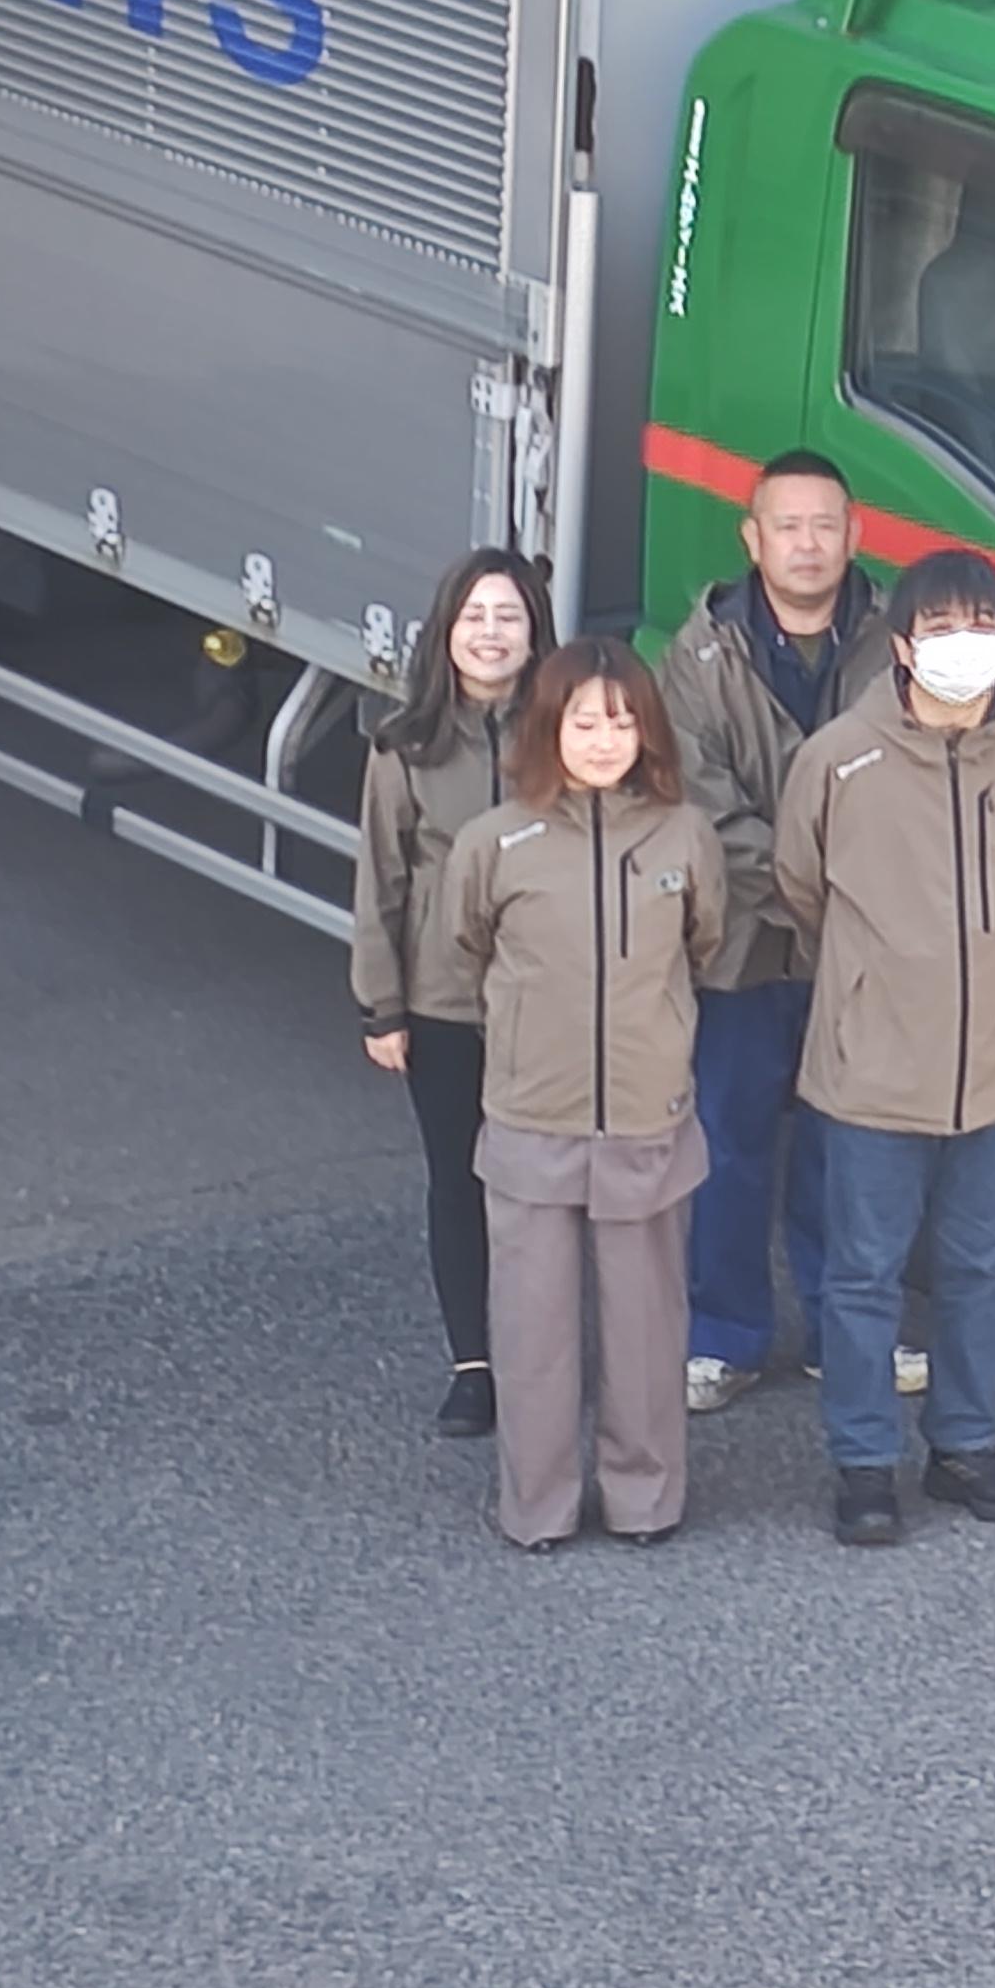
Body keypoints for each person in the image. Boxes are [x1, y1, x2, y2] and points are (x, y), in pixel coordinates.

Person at [777, 549, 995, 1547]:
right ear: (903, 646)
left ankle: (965, 1445)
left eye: (984, 626)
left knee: (980, 1268)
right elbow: (801, 887)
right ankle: (864, 1465)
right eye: (943, 629)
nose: (967, 647)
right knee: (863, 1276)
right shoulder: (839, 759)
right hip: (873, 1064)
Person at [446, 642, 726, 1549]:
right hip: (533, 1114)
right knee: (533, 1331)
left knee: (646, 1329)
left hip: (646, 1111)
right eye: (583, 720)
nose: (604, 739)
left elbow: (705, 944)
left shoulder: (683, 833)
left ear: (646, 729)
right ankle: (539, 1507)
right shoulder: (496, 841)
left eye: (621, 720)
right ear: (547, 727)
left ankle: (644, 1500)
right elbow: (468, 945)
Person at [657, 448, 893, 1417]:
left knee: (853, 1150)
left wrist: (863, 901)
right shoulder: (699, 655)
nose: (807, 544)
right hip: (745, 945)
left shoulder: (897, 641)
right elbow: (701, 808)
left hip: (865, 948)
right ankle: (724, 1338)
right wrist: (815, 891)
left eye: (824, 525)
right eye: (786, 527)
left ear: (855, 534)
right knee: (729, 1142)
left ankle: (847, 1335)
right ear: (752, 540)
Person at [351, 546, 556, 1440]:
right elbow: (382, 883)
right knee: (459, 1184)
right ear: (445, 632)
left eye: (508, 616)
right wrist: (382, 1006)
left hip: (553, 1005)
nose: (490, 633)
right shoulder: (404, 746)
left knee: (547, 1191)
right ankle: (474, 1365)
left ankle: (545, 1357)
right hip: (444, 1006)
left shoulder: (573, 731)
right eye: (474, 616)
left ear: (536, 632)